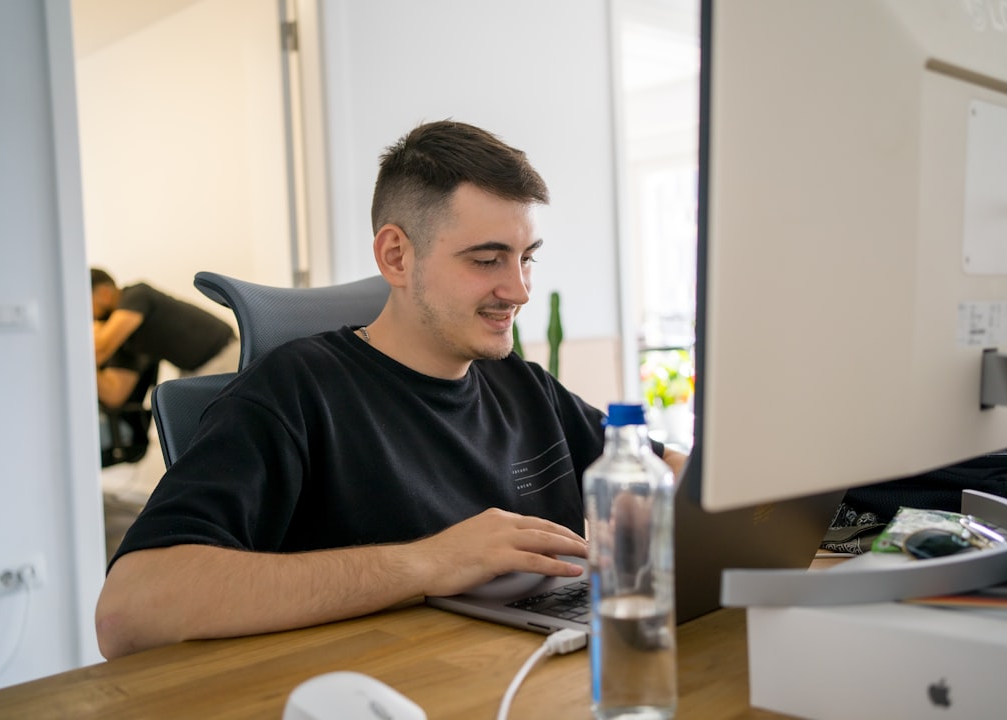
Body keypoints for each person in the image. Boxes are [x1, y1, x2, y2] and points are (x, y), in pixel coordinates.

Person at [95, 120, 687, 659]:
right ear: (396, 256)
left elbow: (674, 481)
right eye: (487, 261)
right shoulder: (295, 393)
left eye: (526, 258)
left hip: (543, 678)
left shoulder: (522, 383)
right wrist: (427, 562)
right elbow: (129, 609)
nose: (519, 290)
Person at [90, 268, 240, 407]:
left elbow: (99, 351)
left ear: (105, 293)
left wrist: (88, 336)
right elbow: (114, 395)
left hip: (223, 356)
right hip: (196, 371)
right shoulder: (125, 339)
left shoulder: (136, 295)